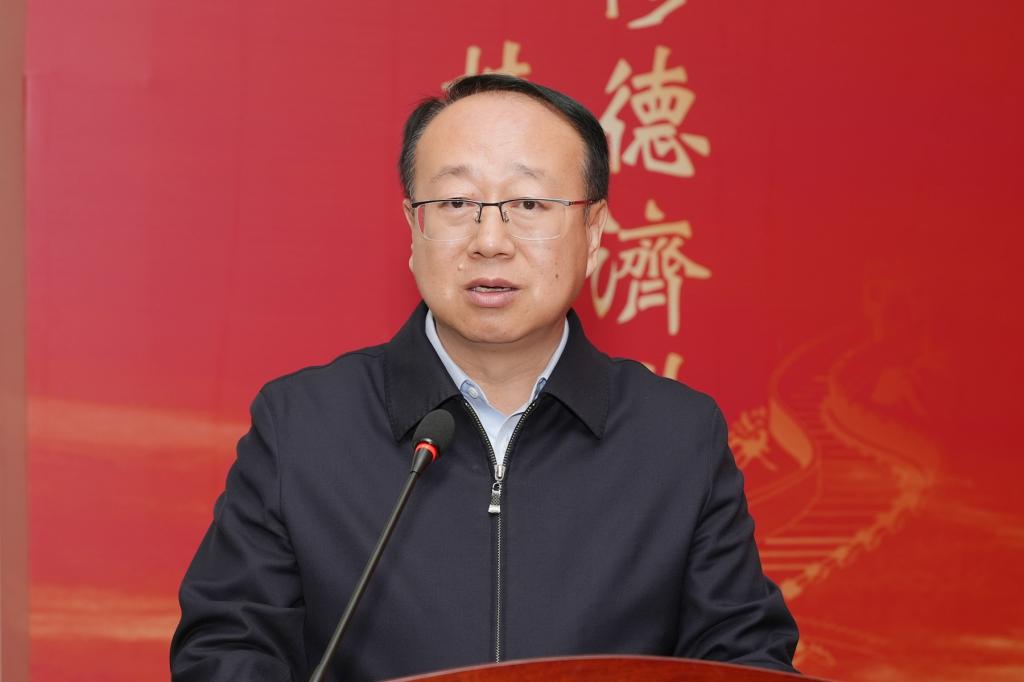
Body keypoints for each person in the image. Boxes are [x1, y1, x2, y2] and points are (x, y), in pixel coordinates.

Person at [170, 74, 799, 681]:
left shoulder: (677, 437)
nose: (490, 240)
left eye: (529, 204)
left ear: (594, 230)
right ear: (414, 227)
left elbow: (743, 660)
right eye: (455, 204)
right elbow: (228, 650)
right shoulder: (303, 426)